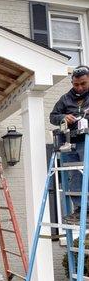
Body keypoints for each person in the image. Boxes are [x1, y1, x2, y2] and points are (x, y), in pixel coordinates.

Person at [50, 65, 89, 224]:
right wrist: (63, 118)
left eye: (83, 83)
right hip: (70, 141)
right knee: (74, 175)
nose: (79, 87)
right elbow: (52, 117)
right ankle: (80, 210)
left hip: (87, 140)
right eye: (75, 84)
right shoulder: (65, 98)